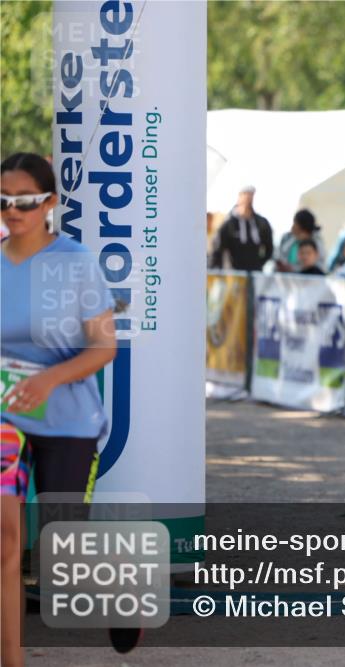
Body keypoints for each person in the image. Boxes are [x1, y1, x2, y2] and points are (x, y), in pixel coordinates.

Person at [1, 153, 122, 663]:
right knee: (6, 544)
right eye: (3, 201)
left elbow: (103, 349)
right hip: (6, 415)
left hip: (67, 415)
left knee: (61, 548)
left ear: (49, 203)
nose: (13, 211)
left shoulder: (75, 262)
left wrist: (50, 378)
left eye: (25, 201)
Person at [208, 185, 274, 271]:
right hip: (233, 274)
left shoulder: (261, 223)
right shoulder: (229, 223)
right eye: (245, 195)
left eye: (250, 196)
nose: (248, 199)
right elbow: (217, 248)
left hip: (254, 273)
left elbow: (269, 248)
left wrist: (258, 263)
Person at [275, 208, 324, 273]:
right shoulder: (288, 238)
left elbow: (318, 265)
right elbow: (279, 255)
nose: (293, 227)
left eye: (295, 224)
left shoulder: (317, 244)